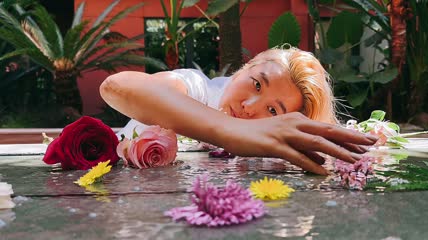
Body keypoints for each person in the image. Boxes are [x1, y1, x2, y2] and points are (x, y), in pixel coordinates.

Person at [99, 47, 377, 175]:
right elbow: (115, 85)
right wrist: (230, 131)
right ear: (246, 65)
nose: (248, 108)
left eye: (271, 109)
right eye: (256, 83)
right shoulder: (197, 88)